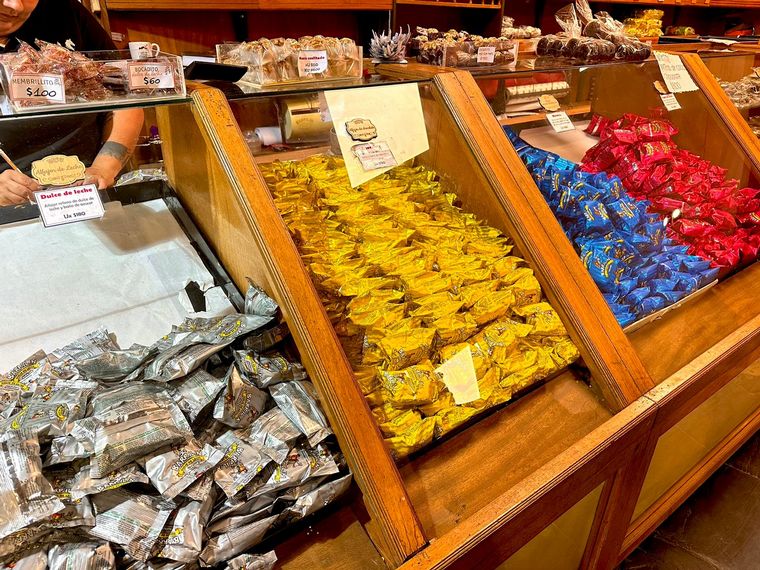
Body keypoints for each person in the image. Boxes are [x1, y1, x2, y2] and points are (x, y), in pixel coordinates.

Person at [0, 0, 144, 205]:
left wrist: (104, 167)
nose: (16, 6)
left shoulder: (66, 11)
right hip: (11, 205)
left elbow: (124, 100)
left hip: (85, 193)